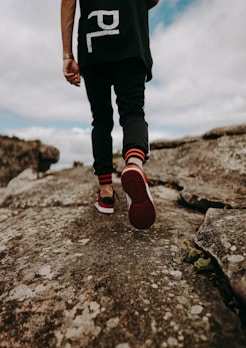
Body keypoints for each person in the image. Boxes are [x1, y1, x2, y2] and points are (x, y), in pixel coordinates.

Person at [61, 0, 159, 229]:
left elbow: (68, 2)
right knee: (133, 111)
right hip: (130, 37)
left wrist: (67, 54)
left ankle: (105, 192)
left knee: (101, 120)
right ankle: (134, 163)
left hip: (93, 44)